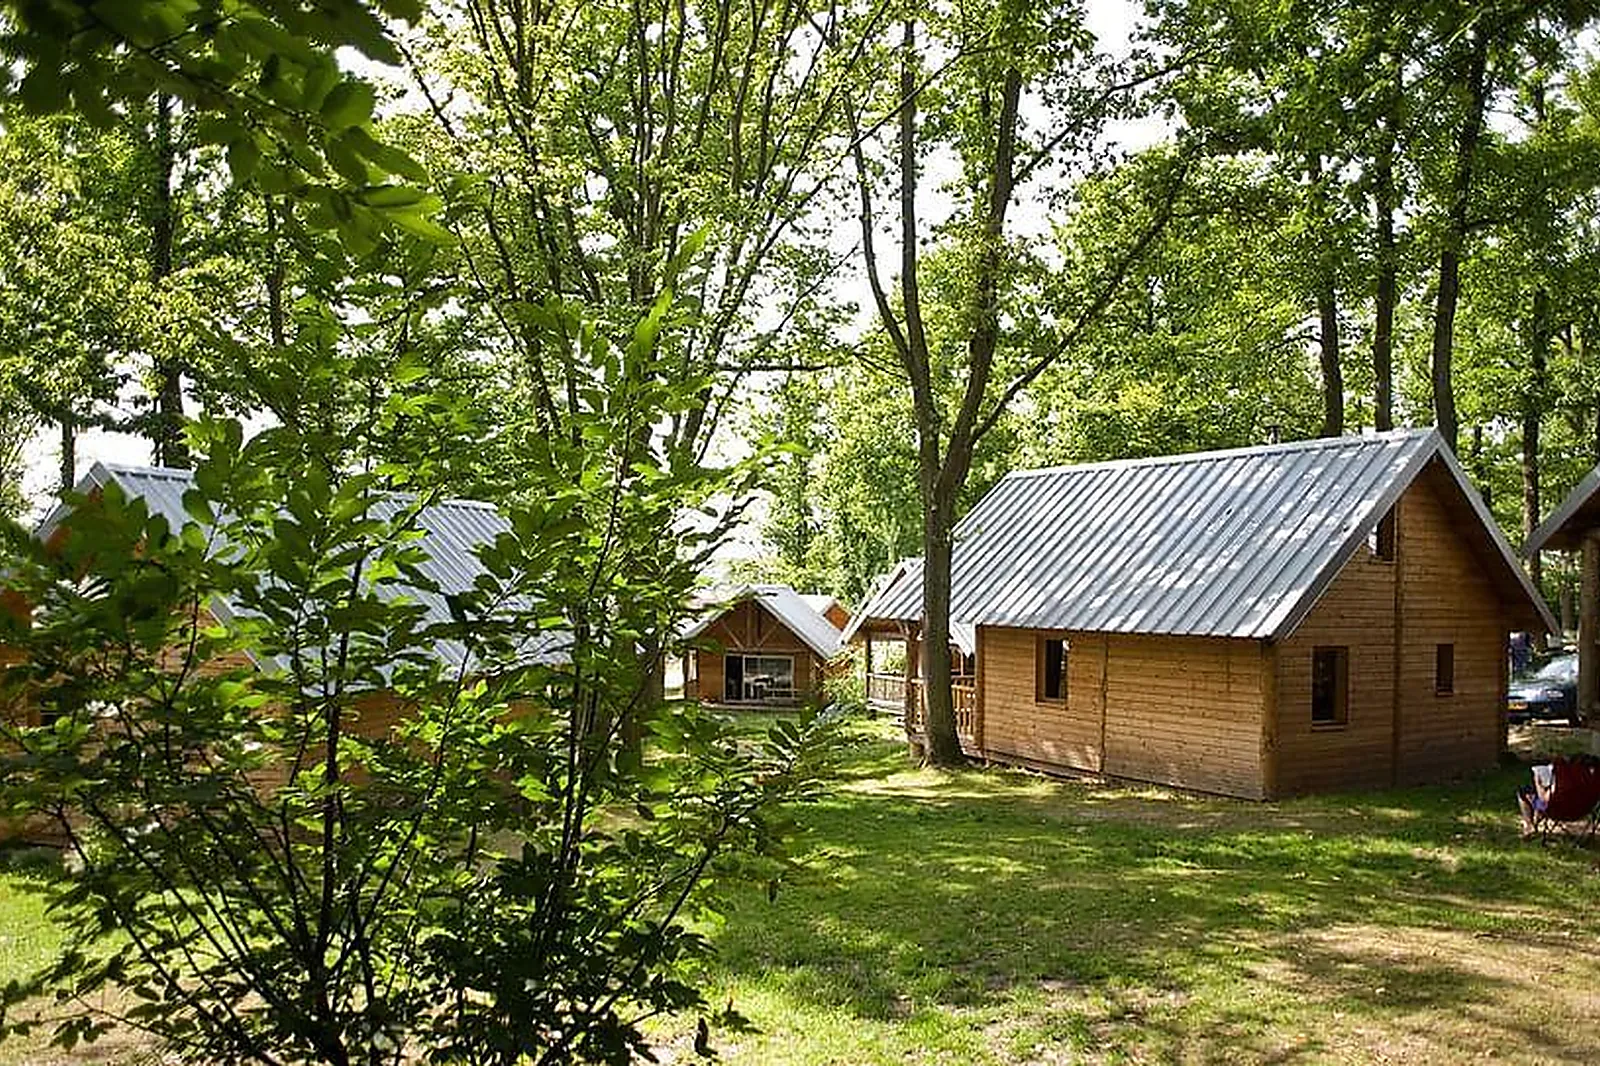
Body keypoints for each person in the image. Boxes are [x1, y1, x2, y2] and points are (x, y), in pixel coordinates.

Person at [1518, 762, 1557, 839]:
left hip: (1555, 808)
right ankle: (1534, 821)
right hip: (1580, 810)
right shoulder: (1584, 781)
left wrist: (1537, 782)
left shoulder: (1556, 780)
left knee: (1523, 793)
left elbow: (1543, 799)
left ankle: (1528, 826)